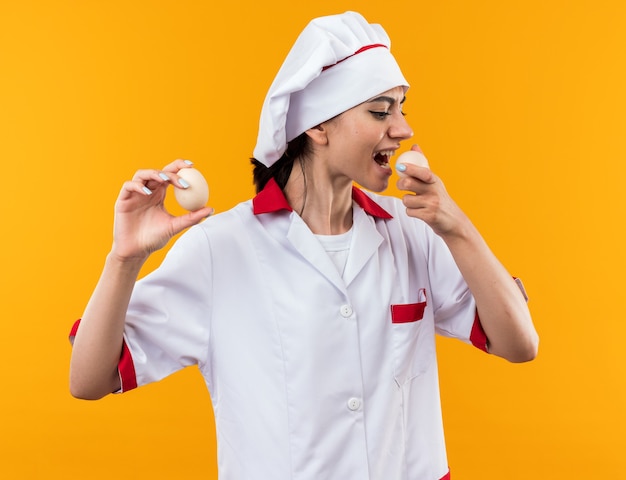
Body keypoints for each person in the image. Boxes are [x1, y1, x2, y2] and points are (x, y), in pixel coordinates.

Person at [69, 11, 538, 480]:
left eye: (402, 107)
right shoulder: (221, 248)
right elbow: (90, 380)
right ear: (317, 126)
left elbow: (519, 344)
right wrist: (124, 259)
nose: (403, 129)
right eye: (380, 110)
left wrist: (456, 226)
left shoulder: (413, 230)